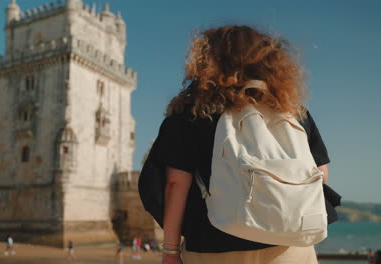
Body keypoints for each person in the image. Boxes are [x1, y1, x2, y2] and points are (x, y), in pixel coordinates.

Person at [141, 25, 331, 264]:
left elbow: (175, 184)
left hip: (213, 247)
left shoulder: (191, 115)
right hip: (289, 248)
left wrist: (170, 251)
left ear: (206, 62)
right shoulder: (293, 113)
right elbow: (321, 174)